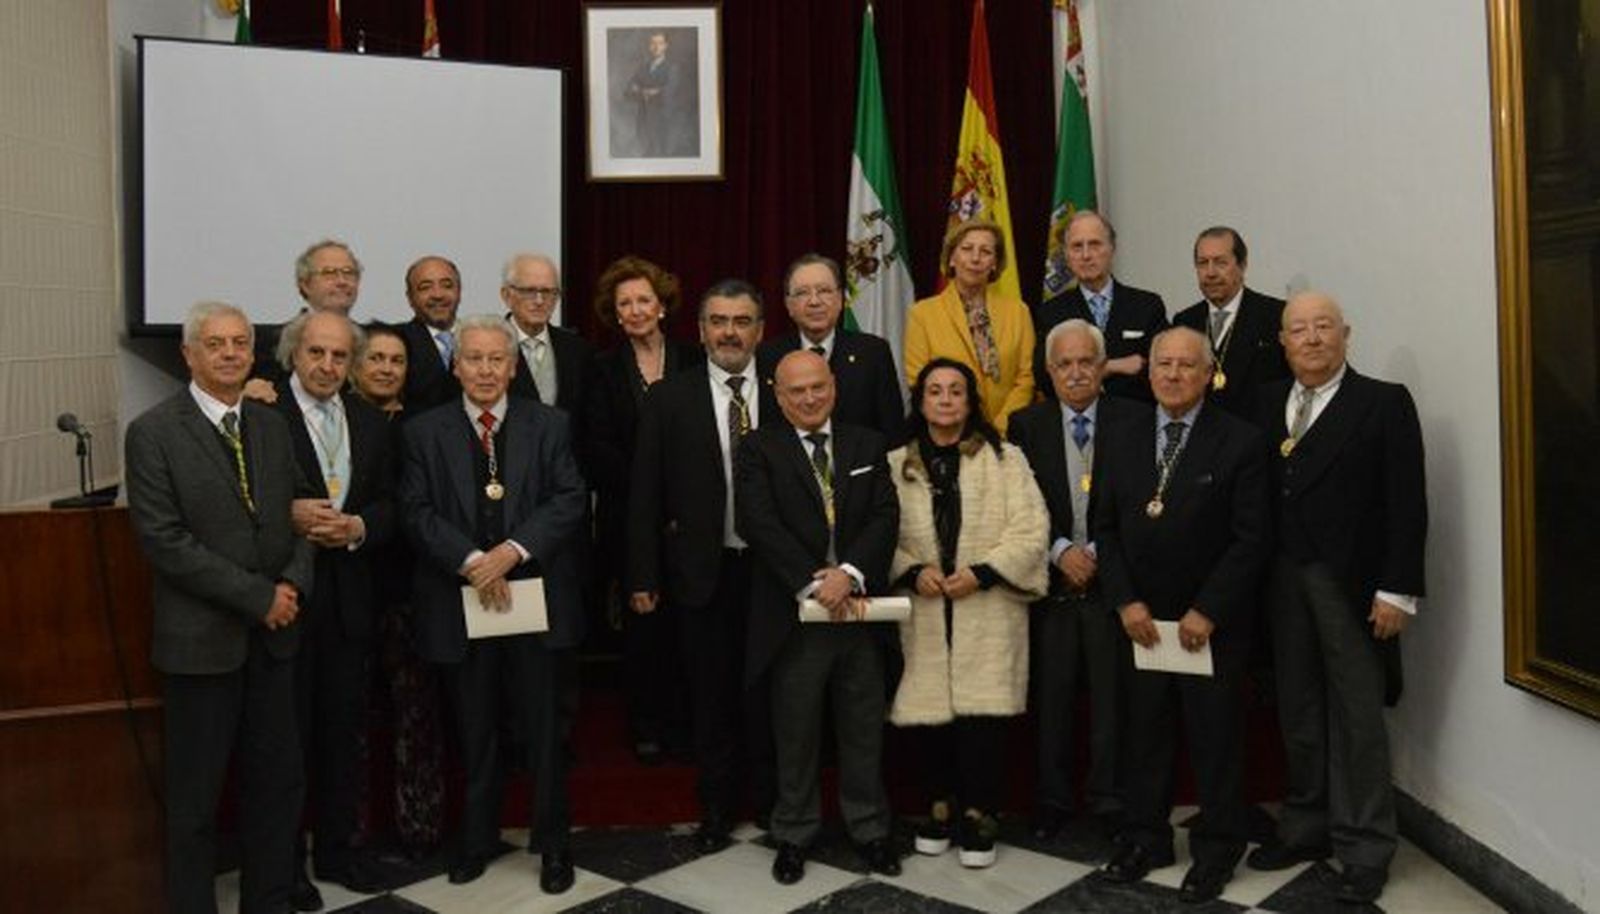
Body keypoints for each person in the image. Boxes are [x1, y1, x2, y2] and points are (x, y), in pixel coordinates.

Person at [125, 301, 314, 914]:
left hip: (275, 640)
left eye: (240, 343)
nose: (232, 353)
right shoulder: (153, 432)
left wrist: (290, 587)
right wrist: (259, 597)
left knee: (276, 787)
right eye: (216, 344)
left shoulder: (269, 424)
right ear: (189, 354)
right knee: (195, 803)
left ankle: (270, 901)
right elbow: (164, 541)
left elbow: (299, 516)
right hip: (200, 644)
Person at [1245, 292, 1428, 906]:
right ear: (1283, 341)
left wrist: (1397, 591)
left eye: (1324, 326)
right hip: (1283, 581)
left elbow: (1407, 503)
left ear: (1346, 334)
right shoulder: (1267, 401)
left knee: (1357, 716)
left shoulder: (1383, 402)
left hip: (1351, 586)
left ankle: (1365, 846)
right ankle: (1305, 825)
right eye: (1299, 329)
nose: (1313, 338)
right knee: (1298, 710)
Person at [398, 315, 587, 894]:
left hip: (535, 601)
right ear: (456, 365)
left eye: (495, 360)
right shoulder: (422, 432)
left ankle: (553, 846)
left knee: (542, 732)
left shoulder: (549, 424)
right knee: (475, 731)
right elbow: (415, 511)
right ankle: (476, 841)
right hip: (462, 603)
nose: (484, 370)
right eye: (473, 359)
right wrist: (474, 563)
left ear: (512, 366)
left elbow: (569, 497)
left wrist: (510, 551)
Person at [1094, 326, 1270, 904]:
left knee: (1215, 738)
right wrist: (1125, 600)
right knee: (1144, 735)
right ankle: (1146, 838)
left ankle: (1218, 850)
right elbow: (1106, 528)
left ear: (1208, 374)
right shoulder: (1119, 433)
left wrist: (1208, 610)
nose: (1172, 374)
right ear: (1148, 372)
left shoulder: (1241, 441)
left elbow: (1251, 540)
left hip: (1207, 627)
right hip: (1141, 622)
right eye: (1163, 364)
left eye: (1186, 365)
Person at [735, 350, 902, 885]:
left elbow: (884, 515)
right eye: (795, 391)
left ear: (832, 385)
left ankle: (870, 829)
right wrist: (815, 583)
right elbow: (757, 523)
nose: (808, 398)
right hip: (795, 618)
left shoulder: (867, 443)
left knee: (862, 728)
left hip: (858, 612)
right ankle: (794, 832)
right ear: (778, 397)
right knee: (797, 730)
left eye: (817, 387)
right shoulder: (758, 447)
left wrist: (848, 574)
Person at [628, 279, 777, 852]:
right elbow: (645, 494)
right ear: (700, 330)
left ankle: (768, 802)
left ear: (761, 330)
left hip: (773, 573)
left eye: (742, 321)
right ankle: (716, 808)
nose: (730, 332)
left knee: (766, 694)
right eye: (719, 321)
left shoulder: (784, 387)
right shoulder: (670, 397)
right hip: (701, 572)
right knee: (710, 697)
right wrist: (642, 576)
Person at [888, 357, 1048, 868]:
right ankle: (938, 809)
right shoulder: (896, 463)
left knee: (982, 721)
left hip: (987, 605)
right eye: (935, 391)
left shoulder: (1007, 459)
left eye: (956, 391)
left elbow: (1031, 528)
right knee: (930, 714)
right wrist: (912, 571)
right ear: (920, 401)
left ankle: (980, 815)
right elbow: (875, 535)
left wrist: (984, 571)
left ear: (970, 401)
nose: (945, 400)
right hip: (925, 607)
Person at [271, 311, 396, 904]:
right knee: (287, 740)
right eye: (316, 354)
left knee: (344, 737)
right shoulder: (262, 416)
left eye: (339, 356)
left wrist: (361, 526)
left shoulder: (371, 423)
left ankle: (341, 853)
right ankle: (288, 865)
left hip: (351, 603)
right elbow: (234, 505)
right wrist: (287, 514)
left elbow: (396, 504)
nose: (326, 366)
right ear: (294, 354)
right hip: (286, 603)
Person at [1007, 319, 1134, 841]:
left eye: (1087, 362)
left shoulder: (1135, 420)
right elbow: (1019, 506)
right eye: (1065, 364)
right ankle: (1053, 800)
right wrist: (1060, 551)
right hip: (1051, 585)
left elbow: (1143, 503)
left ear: (1102, 368)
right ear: (1049, 371)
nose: (1076, 373)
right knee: (1052, 700)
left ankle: (1107, 800)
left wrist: (1098, 554)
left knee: (1111, 700)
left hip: (1113, 586)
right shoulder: (1025, 426)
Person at [585, 256, 702, 764]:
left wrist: (677, 495)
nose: (634, 311)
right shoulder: (601, 369)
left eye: (643, 301)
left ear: (662, 305)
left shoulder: (695, 361)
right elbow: (594, 447)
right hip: (629, 523)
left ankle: (686, 724)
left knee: (690, 629)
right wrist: (650, 490)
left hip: (691, 521)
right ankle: (647, 726)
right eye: (624, 303)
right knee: (642, 632)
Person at [350, 321, 448, 861]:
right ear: (356, 366)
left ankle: (421, 826)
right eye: (376, 359)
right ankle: (356, 830)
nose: (387, 368)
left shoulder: (424, 426)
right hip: (356, 588)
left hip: (415, 588)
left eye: (397, 360)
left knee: (419, 714)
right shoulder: (338, 422)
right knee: (356, 718)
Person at [903, 219, 1035, 435]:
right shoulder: (922, 314)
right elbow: (919, 379)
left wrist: (1000, 427)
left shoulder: (1018, 312)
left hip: (1009, 434)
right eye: (966, 249)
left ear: (995, 263)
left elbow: (1026, 377)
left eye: (985, 251)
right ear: (952, 258)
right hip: (948, 433)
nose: (975, 258)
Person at [757, 253, 905, 445]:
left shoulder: (873, 353)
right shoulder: (768, 356)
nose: (814, 301)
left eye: (824, 291)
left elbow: (892, 431)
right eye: (802, 293)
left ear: (841, 299)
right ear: (789, 305)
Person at [1032, 211, 1168, 403]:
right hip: (1075, 422)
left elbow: (1163, 370)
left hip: (1135, 420)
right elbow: (1044, 378)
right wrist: (1113, 366)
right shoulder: (1051, 313)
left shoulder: (1147, 306)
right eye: (1077, 247)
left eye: (1095, 245)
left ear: (1112, 249)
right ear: (1067, 255)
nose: (1086, 255)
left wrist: (1078, 372)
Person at [1172, 226, 1289, 420]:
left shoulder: (1276, 315)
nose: (1210, 273)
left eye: (1220, 263)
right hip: (1204, 438)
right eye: (1203, 263)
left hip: (1258, 438)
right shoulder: (1184, 322)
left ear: (1242, 265)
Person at [247, 239, 364, 397]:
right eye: (329, 273)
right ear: (305, 284)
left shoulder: (374, 342)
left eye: (349, 273)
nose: (342, 281)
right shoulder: (262, 342)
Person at [502, 254, 597, 421]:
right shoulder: (484, 346)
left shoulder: (578, 351)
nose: (539, 301)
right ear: (506, 295)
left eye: (548, 292)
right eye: (529, 291)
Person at [398, 255, 464, 414]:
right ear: (410, 298)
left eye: (447, 286)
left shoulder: (481, 340)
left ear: (459, 292)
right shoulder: (396, 341)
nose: (438, 295)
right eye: (425, 287)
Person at [625, 31, 674, 156]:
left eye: (660, 43)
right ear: (649, 46)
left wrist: (647, 91)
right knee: (645, 159)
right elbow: (627, 91)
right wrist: (646, 92)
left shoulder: (672, 67)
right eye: (653, 43)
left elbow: (671, 91)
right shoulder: (643, 67)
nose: (656, 47)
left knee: (662, 158)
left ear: (666, 46)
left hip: (662, 123)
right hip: (643, 121)